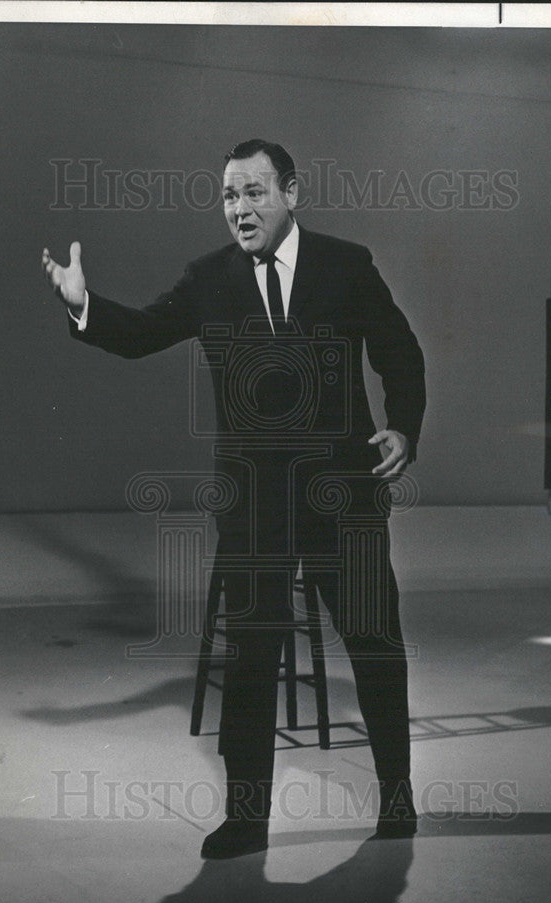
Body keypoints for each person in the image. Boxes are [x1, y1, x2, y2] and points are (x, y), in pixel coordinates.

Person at [42, 138, 426, 860]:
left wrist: (402, 423)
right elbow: (142, 334)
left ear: (289, 193)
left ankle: (397, 798)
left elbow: (399, 351)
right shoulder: (208, 279)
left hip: (343, 498)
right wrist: (83, 305)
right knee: (251, 657)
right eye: (227, 196)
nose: (239, 209)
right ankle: (246, 818)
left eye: (253, 192)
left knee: (375, 645)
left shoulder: (347, 264)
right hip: (255, 507)